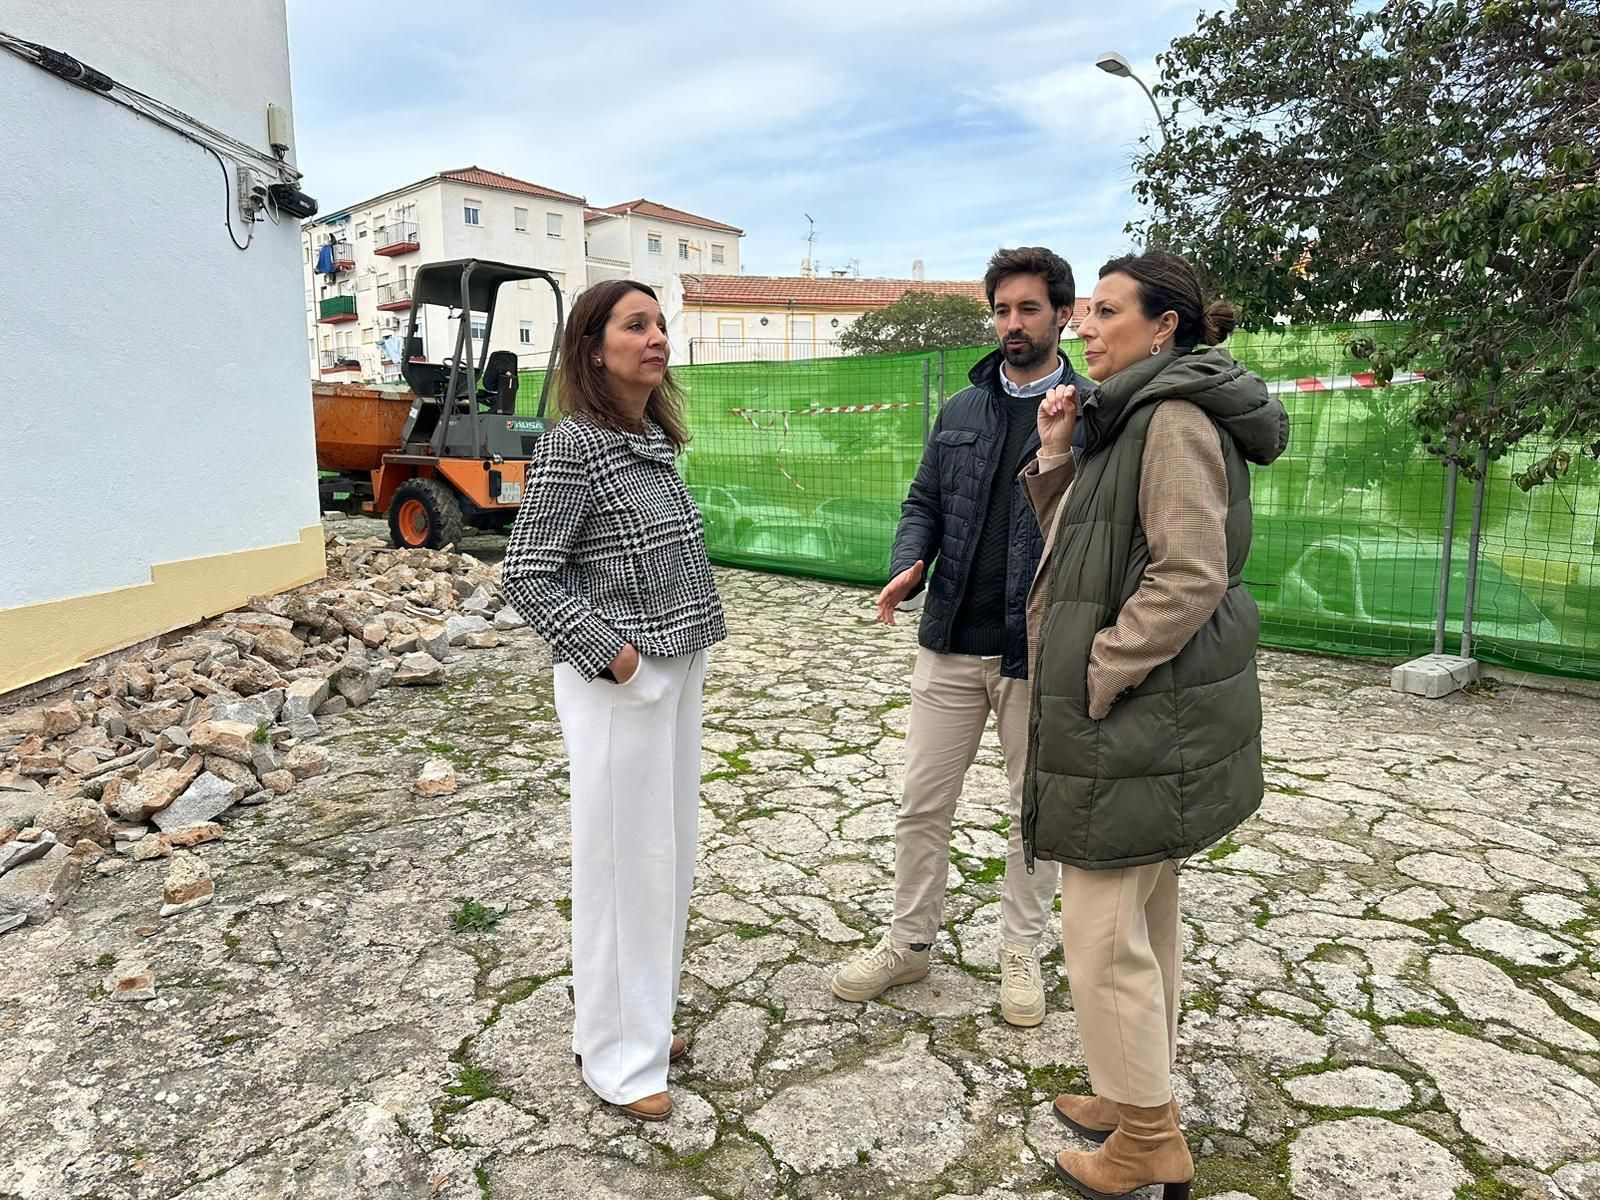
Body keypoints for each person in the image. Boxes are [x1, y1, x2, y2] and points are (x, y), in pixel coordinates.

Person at [1019, 250, 1289, 1199]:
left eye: (1106, 312)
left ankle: (1146, 1139)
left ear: (1165, 325)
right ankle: (1131, 1089)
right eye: (1085, 313)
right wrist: (1059, 452)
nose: (1084, 328)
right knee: (1144, 913)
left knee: (1098, 933)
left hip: (1136, 711)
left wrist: (1104, 669)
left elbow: (1188, 572)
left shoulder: (1171, 418)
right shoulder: (1127, 412)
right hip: (1144, 714)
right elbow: (1085, 546)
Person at [830, 247, 1089, 1027]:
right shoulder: (962, 410)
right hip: (948, 638)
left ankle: (1020, 952)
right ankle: (909, 943)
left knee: (1031, 812)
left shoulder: (1095, 413)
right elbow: (924, 501)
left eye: (1029, 308)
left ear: (1063, 314)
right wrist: (909, 563)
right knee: (921, 803)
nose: (1013, 323)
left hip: (1033, 649)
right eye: (1002, 309)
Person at [501, 278, 725, 1123]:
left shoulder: (647, 440)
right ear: (594, 350)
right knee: (623, 866)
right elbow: (528, 574)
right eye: (637, 325)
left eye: (661, 323)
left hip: (677, 670)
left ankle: (641, 1022)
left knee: (664, 859)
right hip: (620, 684)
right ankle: (619, 1062)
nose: (657, 337)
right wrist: (619, 661)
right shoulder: (575, 445)